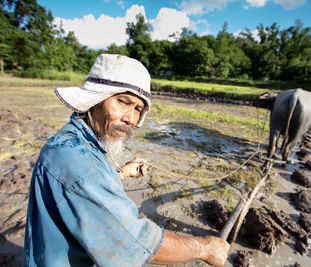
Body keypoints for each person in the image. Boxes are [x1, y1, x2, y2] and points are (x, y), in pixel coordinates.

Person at [24, 54, 229, 266]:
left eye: (137, 109)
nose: (130, 119)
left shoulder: (76, 141)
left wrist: (122, 172)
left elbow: (84, 188)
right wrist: (205, 248)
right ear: (96, 99)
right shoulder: (79, 161)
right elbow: (132, 241)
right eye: (123, 102)